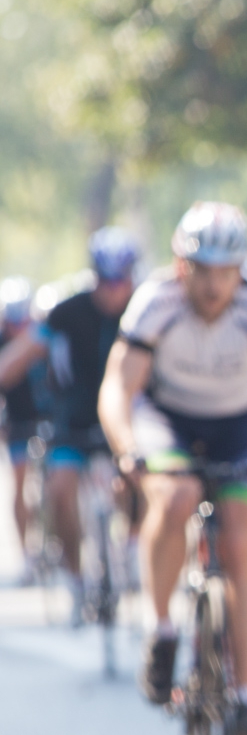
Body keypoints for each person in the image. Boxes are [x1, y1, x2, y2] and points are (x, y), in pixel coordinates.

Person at [99, 203, 247, 735]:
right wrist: (128, 448)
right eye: (201, 269)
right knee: (177, 494)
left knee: (239, 534)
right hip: (169, 421)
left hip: (237, 423)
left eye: (225, 270)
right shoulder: (155, 303)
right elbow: (119, 387)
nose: (212, 284)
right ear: (180, 266)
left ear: (242, 269)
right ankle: (160, 629)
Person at [0, 228, 140, 606]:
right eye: (106, 280)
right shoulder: (67, 312)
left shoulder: (143, 310)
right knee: (60, 491)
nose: (113, 290)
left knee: (140, 476)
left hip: (127, 418)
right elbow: (21, 355)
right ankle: (76, 577)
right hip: (73, 420)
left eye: (121, 280)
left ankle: (131, 546)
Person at [0, 278, 45, 579]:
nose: (19, 327)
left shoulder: (44, 339)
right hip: (16, 420)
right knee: (19, 480)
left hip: (48, 419)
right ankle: (27, 553)